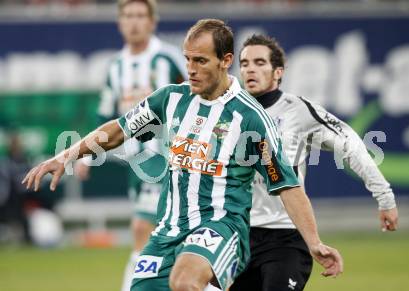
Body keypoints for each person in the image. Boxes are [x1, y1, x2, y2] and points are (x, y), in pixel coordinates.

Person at [22, 19, 343, 291]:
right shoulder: (170, 99)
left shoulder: (250, 118)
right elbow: (119, 130)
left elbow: (286, 184)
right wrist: (67, 155)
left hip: (221, 227)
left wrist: (313, 242)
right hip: (168, 229)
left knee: (185, 281)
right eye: (188, 59)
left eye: (200, 61)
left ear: (225, 60)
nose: (190, 69)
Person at [230, 34, 399, 291]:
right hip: (237, 236)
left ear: (278, 72)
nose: (250, 68)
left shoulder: (297, 110)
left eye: (260, 62)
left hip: (285, 236)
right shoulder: (229, 111)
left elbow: (351, 145)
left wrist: (384, 196)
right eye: (244, 63)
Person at [74, 1, 185, 290]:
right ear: (120, 23)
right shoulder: (116, 66)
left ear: (152, 21)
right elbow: (106, 115)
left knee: (144, 228)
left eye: (139, 16)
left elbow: (198, 97)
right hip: (140, 162)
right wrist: (87, 156)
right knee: (155, 232)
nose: (134, 22)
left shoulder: (169, 59)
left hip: (175, 158)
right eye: (128, 16)